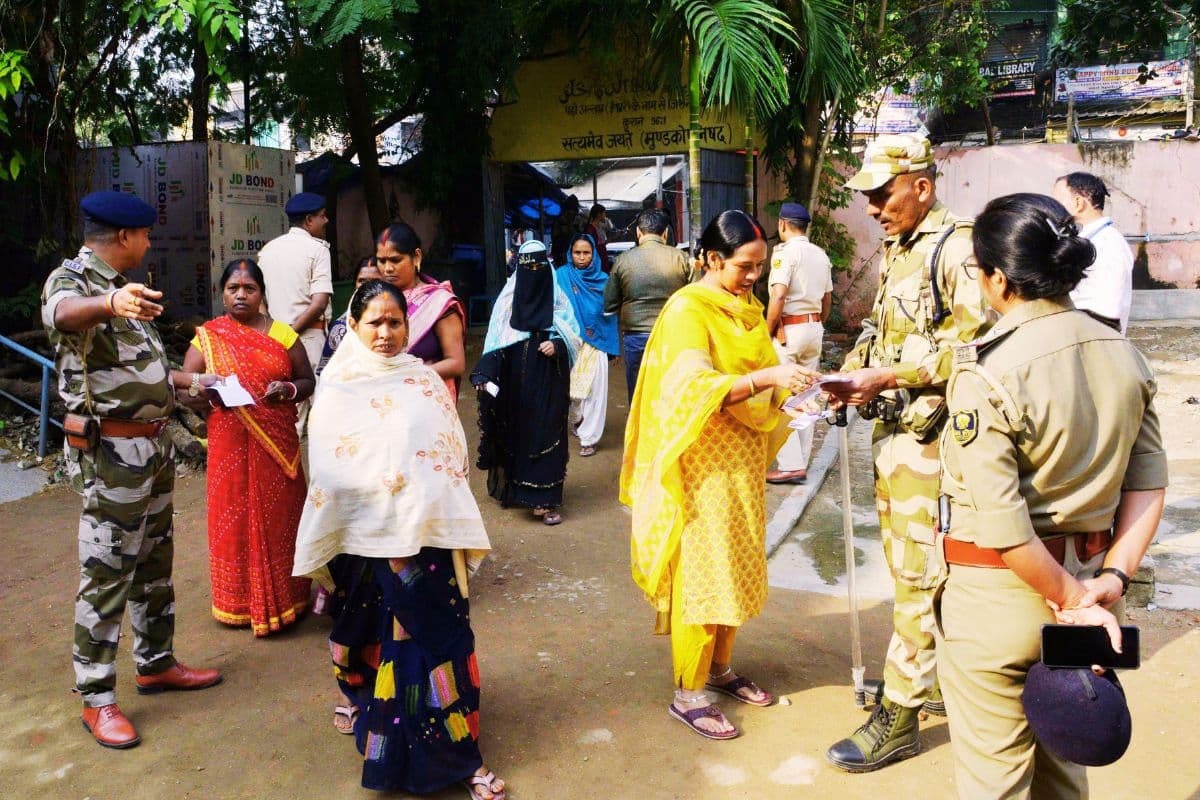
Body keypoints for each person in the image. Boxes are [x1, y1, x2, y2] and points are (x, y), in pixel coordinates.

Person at [935, 192, 1166, 798]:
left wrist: (1069, 599)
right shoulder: (1125, 354)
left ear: (999, 279)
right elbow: (1147, 483)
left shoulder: (986, 371)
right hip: (1090, 586)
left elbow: (1006, 525)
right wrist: (1108, 582)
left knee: (996, 779)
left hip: (1002, 598)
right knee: (1065, 769)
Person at [291, 280, 505, 800]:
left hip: (425, 540)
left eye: (395, 322)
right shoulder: (339, 387)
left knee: (440, 640)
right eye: (374, 323)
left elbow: (449, 457)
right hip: (365, 546)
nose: (386, 334)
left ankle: (457, 757)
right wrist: (383, 515)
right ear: (354, 325)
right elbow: (330, 472)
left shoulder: (424, 382)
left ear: (409, 326)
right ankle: (363, 704)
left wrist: (417, 510)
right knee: (367, 631)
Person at [822, 133, 992, 773]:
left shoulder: (958, 248)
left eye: (881, 193)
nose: (871, 206)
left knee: (918, 574)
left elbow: (980, 349)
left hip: (935, 443)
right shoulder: (902, 249)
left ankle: (898, 715)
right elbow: (887, 333)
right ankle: (936, 679)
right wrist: (850, 372)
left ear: (921, 186)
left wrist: (890, 377)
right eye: (865, 196)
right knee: (908, 569)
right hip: (898, 440)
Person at [621, 210, 818, 740]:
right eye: (744, 267)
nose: (753, 277)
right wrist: (767, 376)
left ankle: (720, 668)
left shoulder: (746, 308)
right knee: (702, 575)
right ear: (712, 259)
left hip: (742, 462)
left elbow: (760, 382)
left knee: (733, 562)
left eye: (760, 267)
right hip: (702, 462)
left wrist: (799, 393)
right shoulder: (688, 310)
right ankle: (689, 691)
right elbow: (691, 389)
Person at [41, 190, 222, 749]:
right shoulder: (73, 282)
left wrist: (190, 383)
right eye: (144, 235)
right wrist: (110, 305)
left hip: (153, 448)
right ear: (123, 237)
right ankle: (96, 699)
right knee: (106, 572)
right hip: (111, 456)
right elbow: (60, 314)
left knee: (153, 565)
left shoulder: (126, 292)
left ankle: (155, 662)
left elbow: (139, 368)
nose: (148, 243)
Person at [182, 259, 315, 636]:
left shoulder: (283, 335)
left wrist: (287, 390)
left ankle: (289, 598)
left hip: (277, 447)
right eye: (233, 288)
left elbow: (307, 381)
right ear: (222, 294)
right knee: (232, 520)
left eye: (249, 288)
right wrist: (207, 395)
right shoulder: (207, 336)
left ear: (262, 294)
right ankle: (236, 603)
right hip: (229, 445)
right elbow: (184, 387)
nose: (241, 294)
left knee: (281, 519)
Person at [472, 240, 581, 526]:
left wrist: (557, 344)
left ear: (547, 265)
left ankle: (544, 501)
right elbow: (495, 344)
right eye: (527, 264)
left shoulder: (558, 300)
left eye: (538, 264)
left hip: (549, 382)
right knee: (517, 431)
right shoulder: (507, 304)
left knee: (548, 434)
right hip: (515, 384)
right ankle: (517, 491)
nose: (533, 270)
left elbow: (573, 335)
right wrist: (484, 373)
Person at [764, 202, 833, 485]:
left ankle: (791, 465)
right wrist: (818, 323)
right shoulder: (820, 255)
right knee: (806, 393)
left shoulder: (784, 255)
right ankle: (801, 462)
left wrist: (767, 332)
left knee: (783, 393)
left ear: (782, 224)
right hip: (814, 326)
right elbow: (828, 298)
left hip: (788, 330)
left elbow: (778, 296)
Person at [258, 191, 333, 429]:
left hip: (277, 340)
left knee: (290, 416)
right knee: (323, 413)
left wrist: (278, 333)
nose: (326, 221)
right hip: (310, 339)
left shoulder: (268, 250)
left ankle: (288, 466)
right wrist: (291, 334)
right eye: (323, 216)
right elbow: (319, 302)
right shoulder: (318, 249)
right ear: (310, 220)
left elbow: (259, 300)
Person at [603, 208, 694, 402]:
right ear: (665, 233)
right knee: (671, 390)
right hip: (672, 334)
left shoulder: (623, 260)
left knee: (638, 393)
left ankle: (639, 431)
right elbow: (697, 297)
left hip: (635, 336)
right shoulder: (682, 258)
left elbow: (609, 303)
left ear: (638, 232)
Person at [374, 222, 467, 400]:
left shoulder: (438, 302)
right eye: (382, 261)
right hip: (382, 401)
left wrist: (405, 377)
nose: (387, 268)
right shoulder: (375, 300)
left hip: (426, 401)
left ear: (416, 257)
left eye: (395, 260)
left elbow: (456, 363)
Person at [556, 233, 620, 456]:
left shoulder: (604, 280)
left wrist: (611, 344)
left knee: (595, 391)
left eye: (586, 253)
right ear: (570, 254)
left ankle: (589, 438)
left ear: (593, 254)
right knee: (572, 391)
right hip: (567, 341)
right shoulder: (561, 277)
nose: (581, 257)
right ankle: (578, 419)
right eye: (577, 253)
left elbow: (610, 314)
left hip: (597, 342)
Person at [1050, 172, 1134, 333]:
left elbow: (1110, 309)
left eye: (1057, 201)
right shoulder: (1091, 239)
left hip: (1094, 338)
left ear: (1078, 202)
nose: (1054, 207)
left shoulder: (1108, 243)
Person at [318, 256, 381, 375]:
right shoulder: (341, 328)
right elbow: (326, 374)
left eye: (375, 281)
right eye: (361, 281)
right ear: (355, 284)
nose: (366, 286)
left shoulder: (399, 320)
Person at [585, 203, 610, 270]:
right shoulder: (590, 229)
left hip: (602, 257)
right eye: (604, 213)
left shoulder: (600, 227)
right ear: (599, 214)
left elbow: (602, 243)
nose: (605, 215)